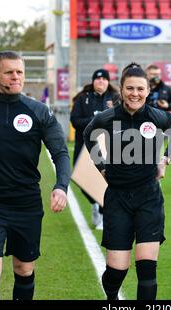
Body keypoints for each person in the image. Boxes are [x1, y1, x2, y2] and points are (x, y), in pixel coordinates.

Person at [0, 51, 71, 300]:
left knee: (23, 269)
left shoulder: (39, 111)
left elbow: (60, 153)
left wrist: (61, 186)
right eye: (9, 72)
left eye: (19, 72)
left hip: (26, 204)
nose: (15, 77)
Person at [83, 62, 171, 300]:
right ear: (121, 89)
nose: (135, 93)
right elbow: (89, 135)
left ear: (148, 91)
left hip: (149, 196)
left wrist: (165, 159)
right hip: (117, 198)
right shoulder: (108, 117)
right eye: (130, 88)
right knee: (116, 271)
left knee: (147, 269)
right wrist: (101, 167)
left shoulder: (156, 116)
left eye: (140, 89)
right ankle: (111, 300)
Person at [70, 68, 120, 230]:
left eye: (104, 79)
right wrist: (96, 120)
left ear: (108, 82)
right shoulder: (82, 98)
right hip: (84, 146)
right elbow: (75, 121)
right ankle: (94, 203)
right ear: (93, 81)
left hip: (107, 147)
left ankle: (103, 210)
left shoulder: (114, 98)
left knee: (107, 179)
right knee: (80, 179)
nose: (101, 82)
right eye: (98, 79)